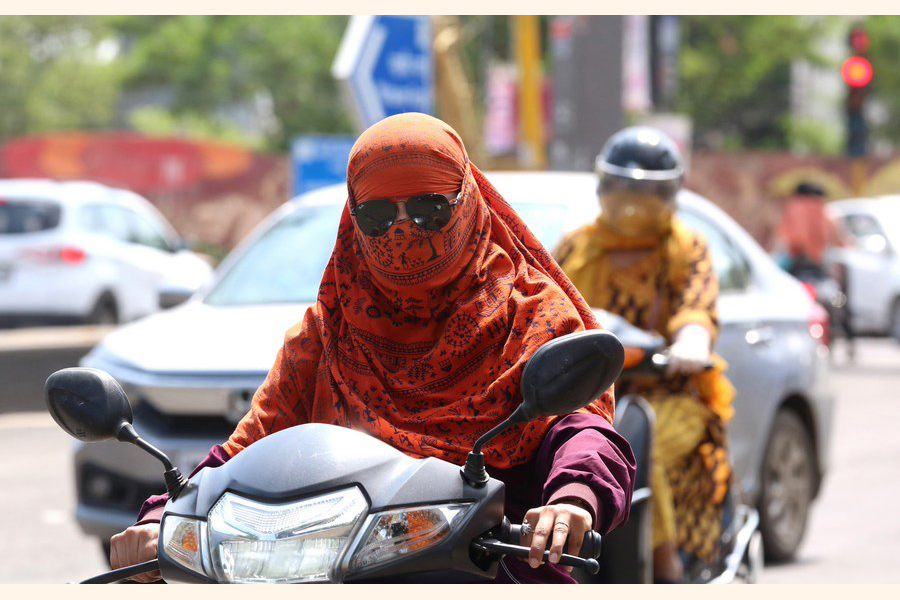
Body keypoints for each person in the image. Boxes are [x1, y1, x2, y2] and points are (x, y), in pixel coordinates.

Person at [109, 113, 636, 584]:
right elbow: (246, 448)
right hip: (327, 567)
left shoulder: (530, 315)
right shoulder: (325, 332)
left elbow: (581, 427)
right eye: (379, 217)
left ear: (467, 201)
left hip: (491, 566)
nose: (403, 233)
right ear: (353, 218)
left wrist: (572, 500)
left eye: (429, 210)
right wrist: (161, 517)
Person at [554, 126, 735, 583]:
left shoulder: (685, 246)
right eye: (622, 186)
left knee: (636, 445)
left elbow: (697, 304)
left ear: (671, 192)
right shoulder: (577, 246)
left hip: (671, 393)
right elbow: (548, 304)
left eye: (648, 190)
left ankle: (665, 569)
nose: (633, 200)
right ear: (602, 185)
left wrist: (692, 340)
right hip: (588, 400)